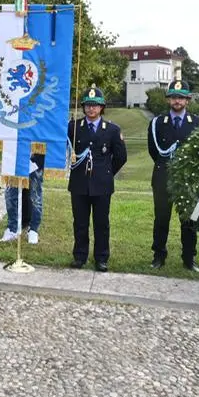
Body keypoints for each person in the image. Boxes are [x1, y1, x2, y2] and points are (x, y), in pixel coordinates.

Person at [67, 86, 127, 272]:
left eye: (95, 106)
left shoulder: (112, 130)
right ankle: (80, 256)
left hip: (102, 184)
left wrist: (106, 171)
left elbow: (121, 157)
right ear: (84, 107)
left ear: (102, 108)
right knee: (80, 222)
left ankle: (101, 258)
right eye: (88, 105)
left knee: (101, 223)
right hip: (79, 183)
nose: (91, 109)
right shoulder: (74, 127)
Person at [148, 80, 199, 271]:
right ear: (168, 100)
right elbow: (155, 152)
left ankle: (189, 258)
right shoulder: (157, 123)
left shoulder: (197, 123)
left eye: (181, 97)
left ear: (187, 100)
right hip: (163, 178)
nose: (177, 101)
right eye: (173, 97)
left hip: (188, 180)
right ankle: (158, 256)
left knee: (189, 220)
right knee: (161, 219)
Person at [1, 145, 46, 243]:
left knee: (35, 196)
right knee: (10, 194)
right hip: (14, 155)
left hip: (36, 156)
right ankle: (12, 228)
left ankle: (33, 230)